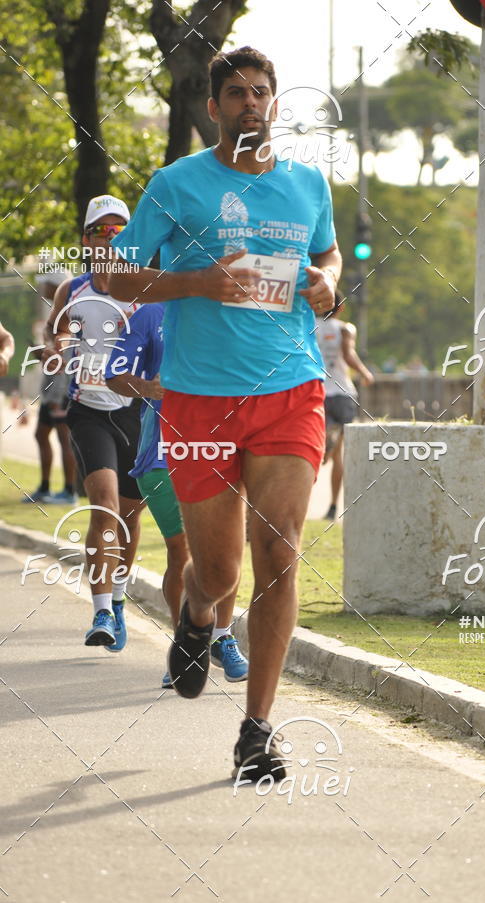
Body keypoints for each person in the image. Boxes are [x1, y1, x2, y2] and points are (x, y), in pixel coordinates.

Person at [108, 46, 340, 781]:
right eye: (235, 94)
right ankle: (199, 615)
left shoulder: (308, 185)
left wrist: (327, 284)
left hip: (290, 390)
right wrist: (199, 283)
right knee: (219, 569)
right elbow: (113, 275)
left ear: (276, 103)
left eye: (261, 93)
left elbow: (330, 259)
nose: (249, 104)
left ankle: (258, 730)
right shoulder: (177, 185)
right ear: (213, 107)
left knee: (281, 555)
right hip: (200, 401)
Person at [106, 302, 249, 687]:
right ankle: (187, 646)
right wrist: (149, 387)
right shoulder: (151, 315)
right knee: (182, 549)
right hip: (163, 453)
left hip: (221, 449)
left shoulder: (230, 311)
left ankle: (220, 637)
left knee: (228, 549)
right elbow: (114, 373)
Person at [46, 194, 145, 650]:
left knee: (129, 514)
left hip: (136, 412)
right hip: (88, 412)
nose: (110, 238)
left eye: (119, 230)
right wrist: (59, 349)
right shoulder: (74, 290)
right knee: (103, 506)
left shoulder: (146, 289)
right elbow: (58, 333)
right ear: (86, 240)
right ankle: (101, 610)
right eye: (101, 231)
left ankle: (120, 602)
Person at [314, 292, 373, 520]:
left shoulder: (309, 327)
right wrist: (365, 372)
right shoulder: (345, 329)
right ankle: (332, 506)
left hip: (319, 392)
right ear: (341, 308)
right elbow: (348, 355)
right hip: (343, 393)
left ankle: (326, 441)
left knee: (316, 446)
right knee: (340, 455)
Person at [23, 274, 78, 505]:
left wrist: (58, 396)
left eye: (45, 282)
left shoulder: (69, 310)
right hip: (51, 388)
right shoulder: (52, 309)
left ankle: (69, 492)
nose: (41, 286)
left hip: (61, 390)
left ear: (55, 285)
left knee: (64, 439)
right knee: (41, 434)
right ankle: (45, 488)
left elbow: (67, 357)